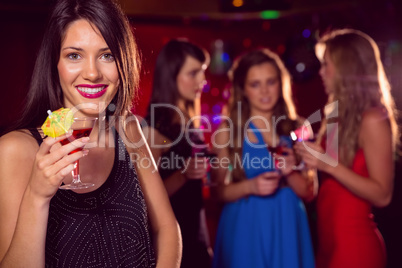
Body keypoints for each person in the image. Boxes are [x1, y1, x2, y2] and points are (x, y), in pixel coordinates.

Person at [0, 0, 182, 267]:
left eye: (107, 55)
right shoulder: (14, 149)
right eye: (74, 55)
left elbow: (167, 228)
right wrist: (37, 196)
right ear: (55, 64)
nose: (93, 73)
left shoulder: (127, 129)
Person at [294, 29, 399, 268]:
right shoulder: (334, 113)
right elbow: (327, 180)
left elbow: (383, 195)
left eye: (326, 65)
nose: (320, 72)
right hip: (327, 242)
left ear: (346, 68)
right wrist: (301, 162)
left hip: (354, 244)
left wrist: (324, 163)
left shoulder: (373, 118)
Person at [210, 48, 316, 268]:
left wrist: (291, 171)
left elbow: (309, 191)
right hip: (244, 226)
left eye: (271, 82)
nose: (265, 91)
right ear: (243, 89)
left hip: (287, 224)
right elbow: (218, 192)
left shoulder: (300, 127)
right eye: (255, 84)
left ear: (281, 83)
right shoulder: (228, 131)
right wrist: (250, 186)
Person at [142, 39, 213, 268]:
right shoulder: (156, 127)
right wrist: (184, 174)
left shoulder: (189, 120)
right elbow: (144, 199)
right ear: (171, 77)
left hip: (195, 235)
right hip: (173, 243)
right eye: (193, 73)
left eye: (202, 72)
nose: (202, 80)